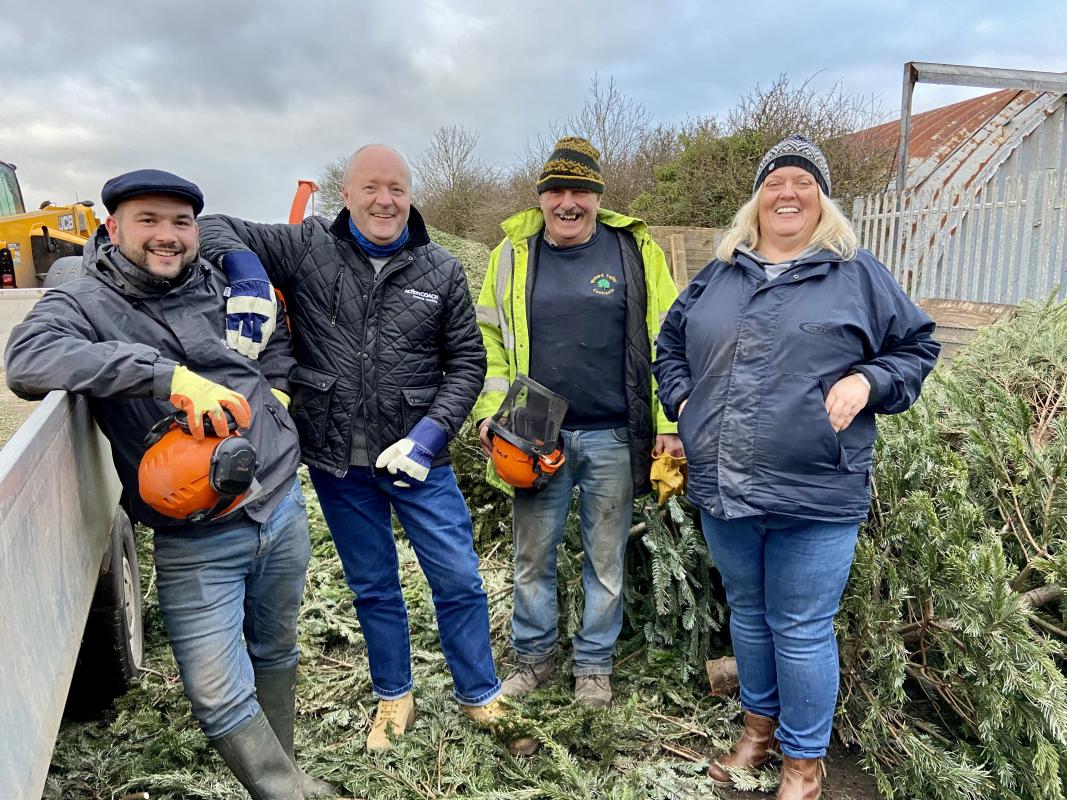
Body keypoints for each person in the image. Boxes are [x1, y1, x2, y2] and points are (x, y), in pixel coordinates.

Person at [4, 170, 337, 799]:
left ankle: (286, 774)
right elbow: (26, 360)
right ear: (112, 229)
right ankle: (287, 792)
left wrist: (276, 393)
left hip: (280, 503)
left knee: (277, 647)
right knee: (215, 690)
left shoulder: (218, 281)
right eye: (148, 221)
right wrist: (166, 377)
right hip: (196, 534)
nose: (167, 236)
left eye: (180, 223)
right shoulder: (84, 301)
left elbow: (276, 335)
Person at [652, 135, 940, 800]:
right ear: (756, 197)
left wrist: (867, 381)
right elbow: (669, 347)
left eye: (802, 182)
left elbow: (916, 348)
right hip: (723, 485)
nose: (787, 192)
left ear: (821, 199)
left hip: (814, 487)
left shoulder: (855, 273)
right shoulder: (719, 273)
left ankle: (803, 767)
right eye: (775, 181)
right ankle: (756, 730)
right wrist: (685, 400)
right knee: (748, 615)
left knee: (801, 625)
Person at [197, 144, 505, 751]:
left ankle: (480, 694)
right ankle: (395, 695)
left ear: (410, 196)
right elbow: (212, 226)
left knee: (460, 578)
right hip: (340, 463)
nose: (384, 200)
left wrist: (430, 434)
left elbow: (467, 361)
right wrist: (248, 270)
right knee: (373, 585)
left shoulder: (440, 269)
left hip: (421, 462)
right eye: (371, 187)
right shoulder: (307, 247)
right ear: (348, 193)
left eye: (396, 188)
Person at [473, 136, 683, 710]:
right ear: (541, 199)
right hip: (533, 434)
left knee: (604, 558)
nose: (569, 203)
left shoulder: (634, 253)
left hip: (614, 432)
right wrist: (493, 414)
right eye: (556, 192)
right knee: (532, 557)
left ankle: (593, 667)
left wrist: (668, 419)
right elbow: (488, 340)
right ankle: (534, 658)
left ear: (598, 197)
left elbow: (668, 340)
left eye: (581, 192)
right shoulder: (512, 256)